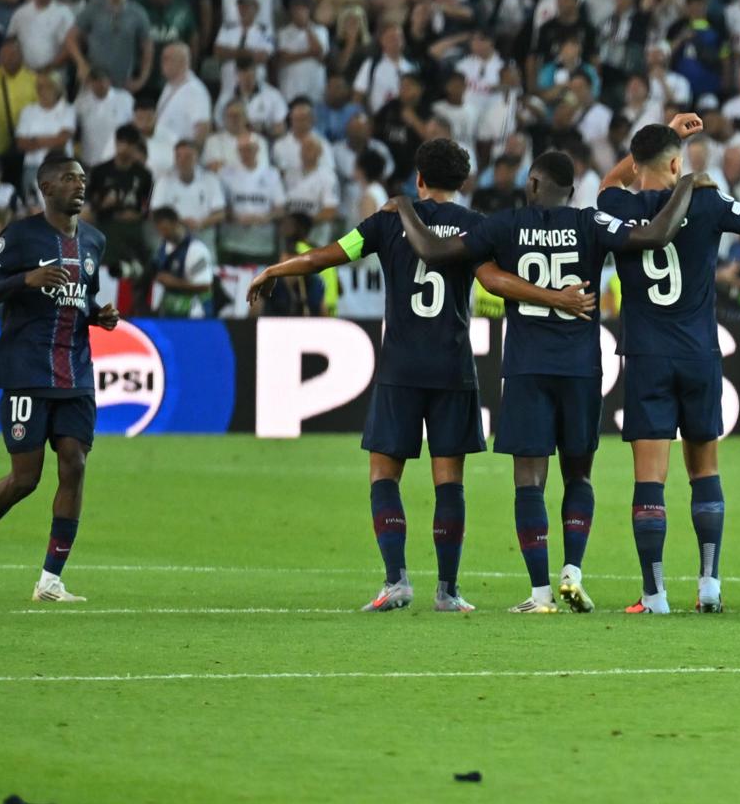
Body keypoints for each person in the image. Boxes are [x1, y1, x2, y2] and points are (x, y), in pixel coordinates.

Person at [246, 139, 576, 613]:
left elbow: (328, 256)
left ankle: (396, 581)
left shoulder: (387, 222)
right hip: (453, 367)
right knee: (449, 482)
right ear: (463, 183)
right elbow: (495, 279)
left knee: (384, 474)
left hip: (400, 367)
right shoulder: (476, 227)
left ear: (418, 179)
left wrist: (275, 269)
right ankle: (448, 591)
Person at [388, 149, 702, 614]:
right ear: (572, 192)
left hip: (528, 367)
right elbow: (656, 233)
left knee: (529, 479)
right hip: (581, 368)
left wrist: (403, 205)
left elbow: (432, 250)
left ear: (532, 185)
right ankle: (573, 570)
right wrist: (688, 185)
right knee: (579, 473)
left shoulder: (506, 224)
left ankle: (539, 593)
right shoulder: (590, 222)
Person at [597, 116, 740, 614]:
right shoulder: (705, 200)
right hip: (700, 352)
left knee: (649, 478)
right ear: (678, 165)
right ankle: (709, 585)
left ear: (638, 165)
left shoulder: (619, 205)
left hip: (646, 355)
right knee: (705, 471)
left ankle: (654, 594)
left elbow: (608, 182)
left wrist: (668, 136)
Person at [0, 154, 122, 603]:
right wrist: (28, 279)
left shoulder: (94, 241)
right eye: (68, 178)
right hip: (26, 370)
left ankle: (50, 580)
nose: (79, 185)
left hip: (76, 370)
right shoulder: (21, 236)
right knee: (26, 478)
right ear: (45, 187)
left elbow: (82, 299)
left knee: (75, 465)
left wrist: (97, 316)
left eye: (82, 179)